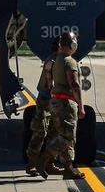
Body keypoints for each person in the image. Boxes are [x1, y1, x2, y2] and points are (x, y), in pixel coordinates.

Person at [36, 31, 86, 180]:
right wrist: (81, 105)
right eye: (74, 41)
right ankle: (44, 158)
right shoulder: (69, 61)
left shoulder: (56, 59)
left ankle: (68, 168)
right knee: (67, 136)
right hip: (66, 103)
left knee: (66, 136)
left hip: (56, 101)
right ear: (71, 44)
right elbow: (75, 85)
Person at [24, 49, 58, 176]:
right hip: (46, 100)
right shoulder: (52, 61)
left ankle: (49, 164)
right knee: (40, 131)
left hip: (55, 100)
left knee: (54, 131)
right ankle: (31, 163)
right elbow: (50, 83)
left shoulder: (60, 59)